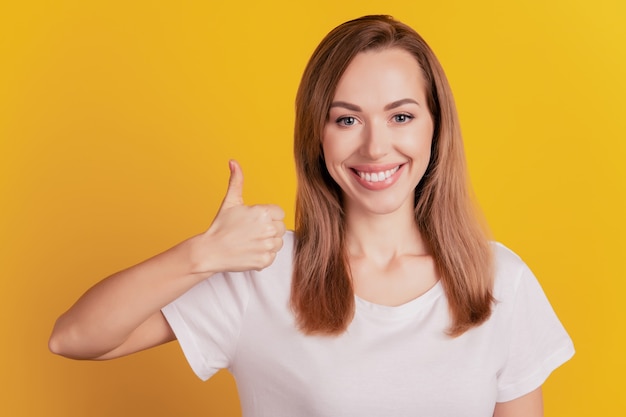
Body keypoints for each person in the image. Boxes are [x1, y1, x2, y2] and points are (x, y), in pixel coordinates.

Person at [49, 15, 574, 417]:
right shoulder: (262, 277)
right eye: (347, 119)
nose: (376, 145)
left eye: (401, 116)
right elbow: (74, 338)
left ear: (435, 128)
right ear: (317, 137)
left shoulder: (500, 279)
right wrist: (201, 255)